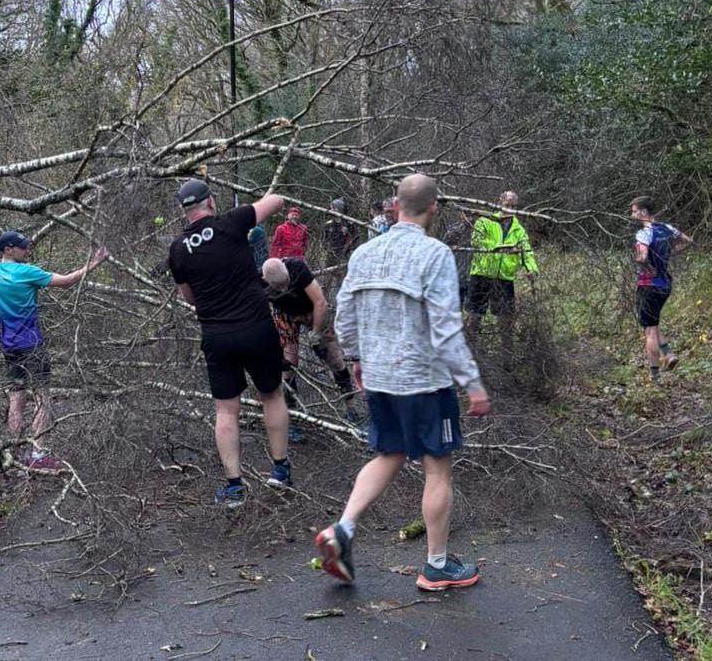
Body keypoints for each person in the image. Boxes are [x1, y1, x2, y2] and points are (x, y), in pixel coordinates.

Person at [316, 174, 490, 592]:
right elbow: (446, 328)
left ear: (395, 205)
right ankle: (436, 566)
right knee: (438, 467)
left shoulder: (363, 253)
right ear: (434, 208)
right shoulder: (436, 254)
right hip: (424, 381)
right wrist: (472, 382)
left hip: (379, 376)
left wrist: (356, 360)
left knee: (388, 452)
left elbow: (344, 314)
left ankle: (342, 529)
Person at [166, 179, 294, 508]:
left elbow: (189, 297)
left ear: (185, 211)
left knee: (226, 409)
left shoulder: (178, 249)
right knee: (271, 394)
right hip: (256, 326)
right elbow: (276, 200)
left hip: (217, 334)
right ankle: (280, 470)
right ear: (210, 202)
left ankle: (234, 486)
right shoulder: (232, 222)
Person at [0, 231, 110, 471]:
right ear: (8, 249)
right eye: (22, 247)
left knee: (16, 396)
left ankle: (16, 450)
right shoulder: (27, 272)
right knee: (42, 395)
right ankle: (38, 454)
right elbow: (67, 281)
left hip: (8, 345)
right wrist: (94, 262)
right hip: (31, 343)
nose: (27, 250)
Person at [262, 257, 358, 435]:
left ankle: (350, 407)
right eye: (279, 287)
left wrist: (315, 332)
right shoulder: (259, 281)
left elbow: (320, 302)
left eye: (286, 284)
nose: (284, 289)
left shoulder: (297, 268)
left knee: (333, 356)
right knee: (288, 361)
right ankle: (290, 416)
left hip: (312, 310)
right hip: (285, 314)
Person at [466, 191, 538, 365]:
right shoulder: (485, 221)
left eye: (514, 206)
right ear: (499, 202)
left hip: (504, 279)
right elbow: (476, 241)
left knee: (506, 323)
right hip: (482, 275)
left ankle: (507, 362)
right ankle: (467, 358)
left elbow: (526, 251)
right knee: (474, 318)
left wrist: (531, 269)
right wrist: (499, 247)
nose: (510, 209)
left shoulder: (518, 229)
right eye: (507, 205)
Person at [630, 196, 693, 383]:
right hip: (665, 284)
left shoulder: (644, 233)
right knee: (654, 323)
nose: (632, 215)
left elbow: (642, 257)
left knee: (649, 330)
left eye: (634, 211)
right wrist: (669, 255)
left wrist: (642, 263)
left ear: (643, 212)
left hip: (649, 285)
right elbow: (688, 241)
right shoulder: (667, 228)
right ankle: (669, 353)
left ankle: (654, 376)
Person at [440, 208, 476, 307]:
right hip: (456, 272)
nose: (470, 218)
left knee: (469, 305)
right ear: (461, 215)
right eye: (467, 215)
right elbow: (443, 248)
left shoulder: (477, 231)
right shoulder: (455, 230)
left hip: (471, 273)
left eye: (472, 216)